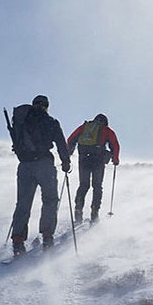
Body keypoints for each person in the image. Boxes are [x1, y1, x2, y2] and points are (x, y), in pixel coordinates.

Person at [8, 94, 70, 255]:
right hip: (44, 164)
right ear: (46, 106)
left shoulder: (23, 120)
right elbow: (61, 143)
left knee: (23, 202)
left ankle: (17, 240)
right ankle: (47, 236)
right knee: (50, 199)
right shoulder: (51, 122)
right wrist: (65, 162)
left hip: (25, 165)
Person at [65, 113, 119, 223]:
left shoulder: (84, 127)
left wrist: (68, 154)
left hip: (84, 159)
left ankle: (78, 209)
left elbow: (71, 139)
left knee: (84, 185)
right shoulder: (106, 130)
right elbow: (115, 144)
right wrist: (115, 158)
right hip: (98, 160)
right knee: (97, 186)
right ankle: (95, 212)